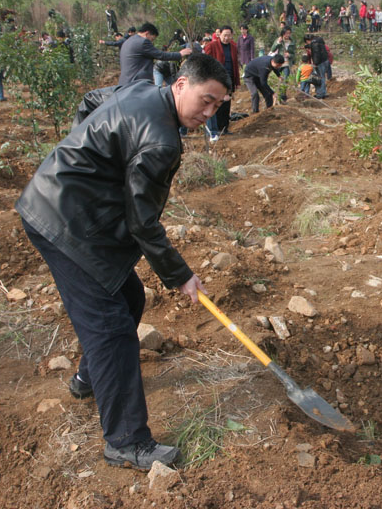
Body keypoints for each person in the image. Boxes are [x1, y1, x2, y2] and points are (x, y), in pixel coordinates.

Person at [16, 54, 231, 471]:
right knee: (112, 330)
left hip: (66, 206)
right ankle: (127, 441)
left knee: (129, 296)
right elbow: (142, 222)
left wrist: (87, 156)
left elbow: (91, 100)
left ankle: (89, 379)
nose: (207, 114)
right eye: (205, 101)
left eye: (217, 107)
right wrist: (181, 275)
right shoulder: (161, 140)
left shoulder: (140, 91)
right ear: (182, 84)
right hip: (64, 222)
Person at [118, 22, 192, 85]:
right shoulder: (143, 42)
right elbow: (161, 55)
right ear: (147, 34)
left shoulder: (128, 41)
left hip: (125, 82)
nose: (152, 42)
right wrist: (180, 54)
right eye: (152, 39)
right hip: (136, 83)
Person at [204, 25, 240, 140]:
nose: (226, 38)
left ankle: (224, 128)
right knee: (216, 102)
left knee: (226, 103)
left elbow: (235, 65)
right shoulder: (212, 46)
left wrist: (237, 81)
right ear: (219, 35)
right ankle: (214, 129)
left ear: (232, 35)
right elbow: (207, 63)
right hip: (216, 78)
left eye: (229, 35)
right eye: (225, 35)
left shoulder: (233, 47)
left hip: (229, 77)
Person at [270, 27, 296, 102]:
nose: (287, 35)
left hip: (286, 64)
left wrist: (289, 55)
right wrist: (278, 42)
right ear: (283, 33)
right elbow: (273, 49)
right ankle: (276, 95)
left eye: (289, 33)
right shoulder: (280, 40)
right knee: (277, 79)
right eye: (286, 33)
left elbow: (294, 55)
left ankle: (283, 96)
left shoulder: (292, 42)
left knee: (284, 80)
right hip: (278, 64)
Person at [304, 33, 329, 99]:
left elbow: (316, 54)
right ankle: (322, 92)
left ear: (308, 40)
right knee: (322, 77)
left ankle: (320, 94)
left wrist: (315, 63)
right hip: (324, 61)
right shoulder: (318, 41)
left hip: (320, 62)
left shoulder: (314, 44)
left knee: (320, 78)